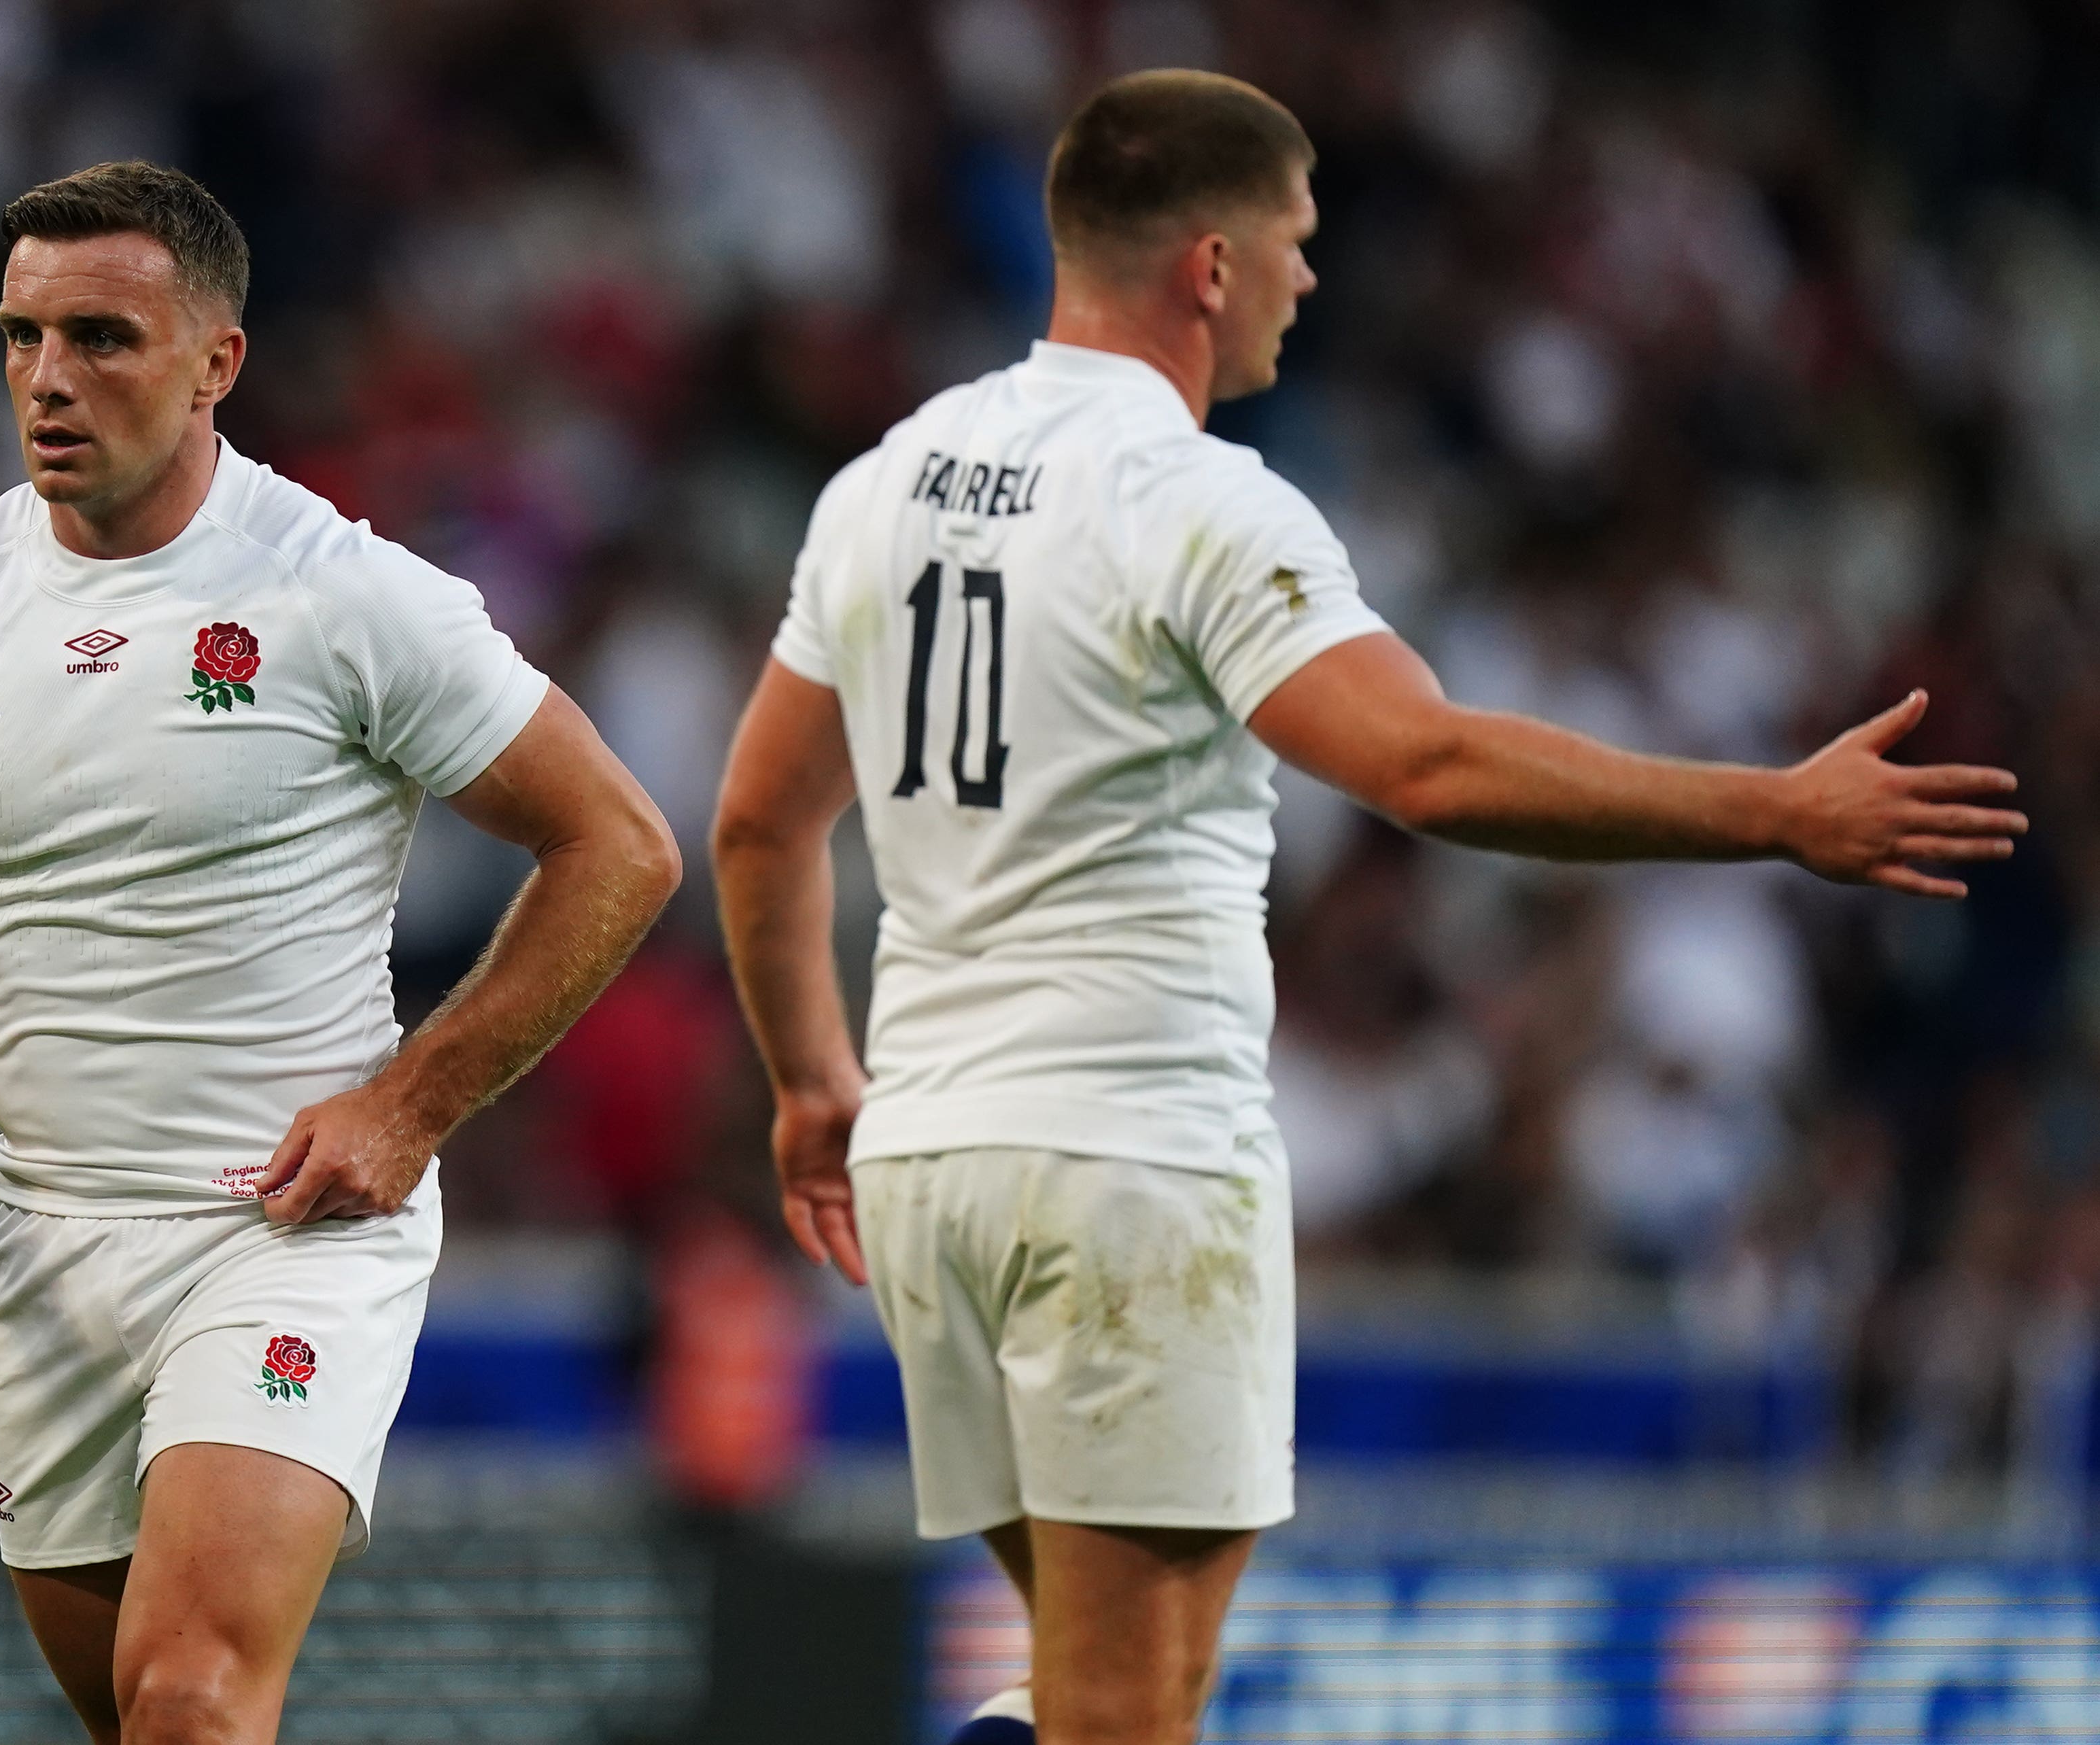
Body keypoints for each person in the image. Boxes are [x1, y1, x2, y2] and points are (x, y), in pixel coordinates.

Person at [708, 71, 2027, 1745]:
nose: (1309, 278)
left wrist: (814, 1082)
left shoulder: (886, 482)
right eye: (1295, 241)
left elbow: (762, 820)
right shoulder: (1195, 502)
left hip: (933, 1165)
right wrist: (1773, 812)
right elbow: (1431, 767)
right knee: (1127, 1713)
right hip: (1125, 1161)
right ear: (1208, 262)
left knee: (1092, 1693)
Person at [0, 162, 680, 1745]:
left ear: (218, 362)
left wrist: (412, 1106)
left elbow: (619, 843)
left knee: (193, 1698)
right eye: (20, 336)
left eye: (102, 339)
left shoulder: (341, 596)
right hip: (49, 1248)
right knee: (145, 1716)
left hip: (282, 1231)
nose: (49, 379)